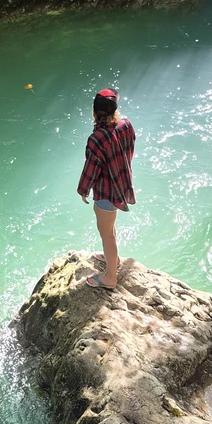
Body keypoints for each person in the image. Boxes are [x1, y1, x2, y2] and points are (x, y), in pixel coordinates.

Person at [77, 87, 136, 290]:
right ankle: (115, 259)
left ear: (95, 111)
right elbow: (130, 149)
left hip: (106, 191)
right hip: (121, 183)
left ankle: (110, 277)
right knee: (109, 228)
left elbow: (91, 169)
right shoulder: (126, 125)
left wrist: (83, 190)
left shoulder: (96, 139)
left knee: (106, 234)